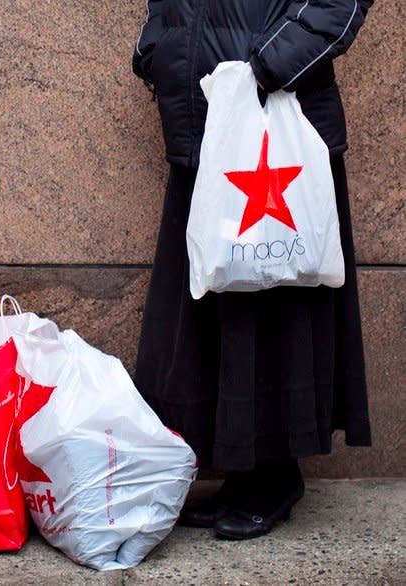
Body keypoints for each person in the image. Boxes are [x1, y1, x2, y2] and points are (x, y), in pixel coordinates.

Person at [131, 0, 373, 540]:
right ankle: (243, 471)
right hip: (205, 121)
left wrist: (264, 68)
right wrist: (154, 46)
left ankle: (275, 476)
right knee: (216, 301)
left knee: (273, 298)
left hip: (276, 125)